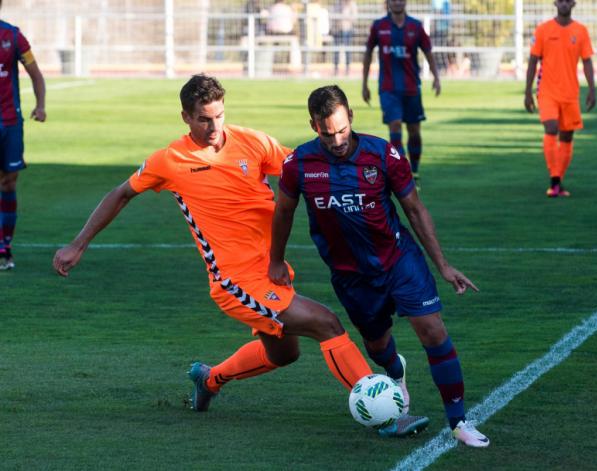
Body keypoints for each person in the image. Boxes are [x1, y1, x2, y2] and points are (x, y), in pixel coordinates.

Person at [52, 74, 376, 425]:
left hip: (271, 271)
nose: (214, 126)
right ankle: (380, 411)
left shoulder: (252, 142)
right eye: (204, 118)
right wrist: (78, 244)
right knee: (325, 323)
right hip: (234, 282)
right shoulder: (170, 160)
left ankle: (209, 379)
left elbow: (301, 170)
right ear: (186, 117)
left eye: (219, 115)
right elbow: (121, 193)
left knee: (284, 354)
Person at [269, 84, 490, 446]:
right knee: (376, 345)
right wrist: (276, 259)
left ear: (351, 116)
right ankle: (394, 370)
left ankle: (459, 421)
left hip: (398, 260)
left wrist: (443, 266)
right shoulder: (299, 165)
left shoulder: (383, 155)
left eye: (341, 129)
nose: (337, 139)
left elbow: (414, 209)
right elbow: (283, 211)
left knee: (433, 330)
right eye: (327, 133)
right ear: (313, 126)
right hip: (351, 276)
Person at [362, 0, 441, 191]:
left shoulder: (416, 26)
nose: (397, 2)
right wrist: (364, 84)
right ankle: (403, 173)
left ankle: (414, 171)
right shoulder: (379, 26)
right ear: (388, 3)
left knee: (414, 132)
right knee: (395, 126)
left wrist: (436, 77)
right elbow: (368, 53)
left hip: (412, 88)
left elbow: (428, 52)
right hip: (388, 89)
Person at [524, 0, 596, 197]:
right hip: (547, 92)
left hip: (570, 93)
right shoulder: (543, 30)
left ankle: (557, 182)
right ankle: (555, 180)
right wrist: (527, 91)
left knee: (567, 137)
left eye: (567, 1)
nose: (564, 4)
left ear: (573, 4)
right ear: (555, 3)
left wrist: (592, 89)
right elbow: (532, 60)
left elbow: (587, 61)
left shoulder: (581, 31)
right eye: (561, 0)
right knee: (551, 128)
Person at [0, 10, 46, 271]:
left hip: (10, 122)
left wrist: (40, 106)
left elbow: (36, 74)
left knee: (8, 183)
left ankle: (6, 245)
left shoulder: (13, 36)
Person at [333, 0, 358, 75]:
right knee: (336, 51)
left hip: (347, 30)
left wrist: (346, 18)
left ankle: (347, 69)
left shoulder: (352, 4)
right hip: (337, 29)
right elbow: (334, 16)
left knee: (348, 51)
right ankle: (336, 69)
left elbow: (354, 17)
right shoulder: (337, 3)